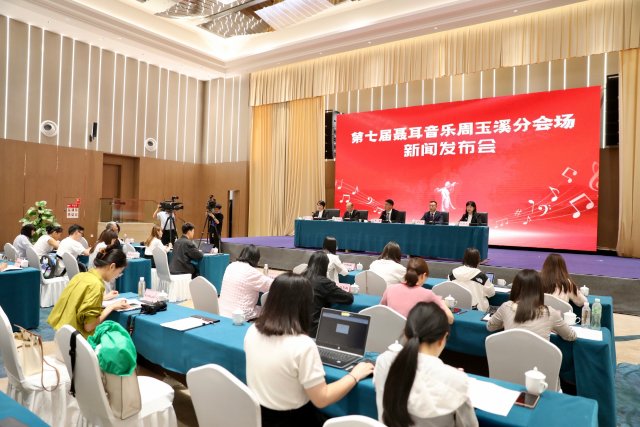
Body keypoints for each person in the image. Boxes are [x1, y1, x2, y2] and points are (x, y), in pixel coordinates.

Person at [244, 273, 374, 427]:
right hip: (295, 420)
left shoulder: (252, 331)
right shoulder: (302, 345)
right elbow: (322, 399)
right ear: (305, 305)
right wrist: (355, 375)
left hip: (260, 417)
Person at [374, 302, 478, 427]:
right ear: (443, 339)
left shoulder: (383, 361)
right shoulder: (457, 380)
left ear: (406, 333)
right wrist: (454, 377)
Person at [48, 245, 130, 338]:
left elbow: (78, 300)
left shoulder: (81, 276)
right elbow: (89, 326)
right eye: (119, 272)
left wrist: (103, 297)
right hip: (78, 339)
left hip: (62, 332)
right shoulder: (96, 285)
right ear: (112, 266)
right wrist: (111, 307)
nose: (117, 276)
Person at [487, 269, 576, 341]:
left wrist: (505, 321)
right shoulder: (550, 313)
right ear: (540, 289)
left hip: (509, 357)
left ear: (515, 288)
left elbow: (490, 327)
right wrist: (554, 327)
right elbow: (571, 336)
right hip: (540, 359)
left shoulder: (506, 307)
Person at [381, 257, 453, 323]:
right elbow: (450, 319)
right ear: (423, 276)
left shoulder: (390, 289)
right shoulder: (428, 295)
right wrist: (442, 302)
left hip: (390, 331)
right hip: (414, 332)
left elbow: (380, 310)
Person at [304, 251, 354, 337]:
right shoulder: (323, 283)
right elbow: (349, 298)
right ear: (325, 266)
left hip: (296, 327)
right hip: (315, 329)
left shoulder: (300, 277)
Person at [219, 244, 274, 319]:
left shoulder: (231, 266)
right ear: (257, 259)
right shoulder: (252, 272)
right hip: (239, 316)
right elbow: (273, 286)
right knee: (269, 310)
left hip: (222, 312)